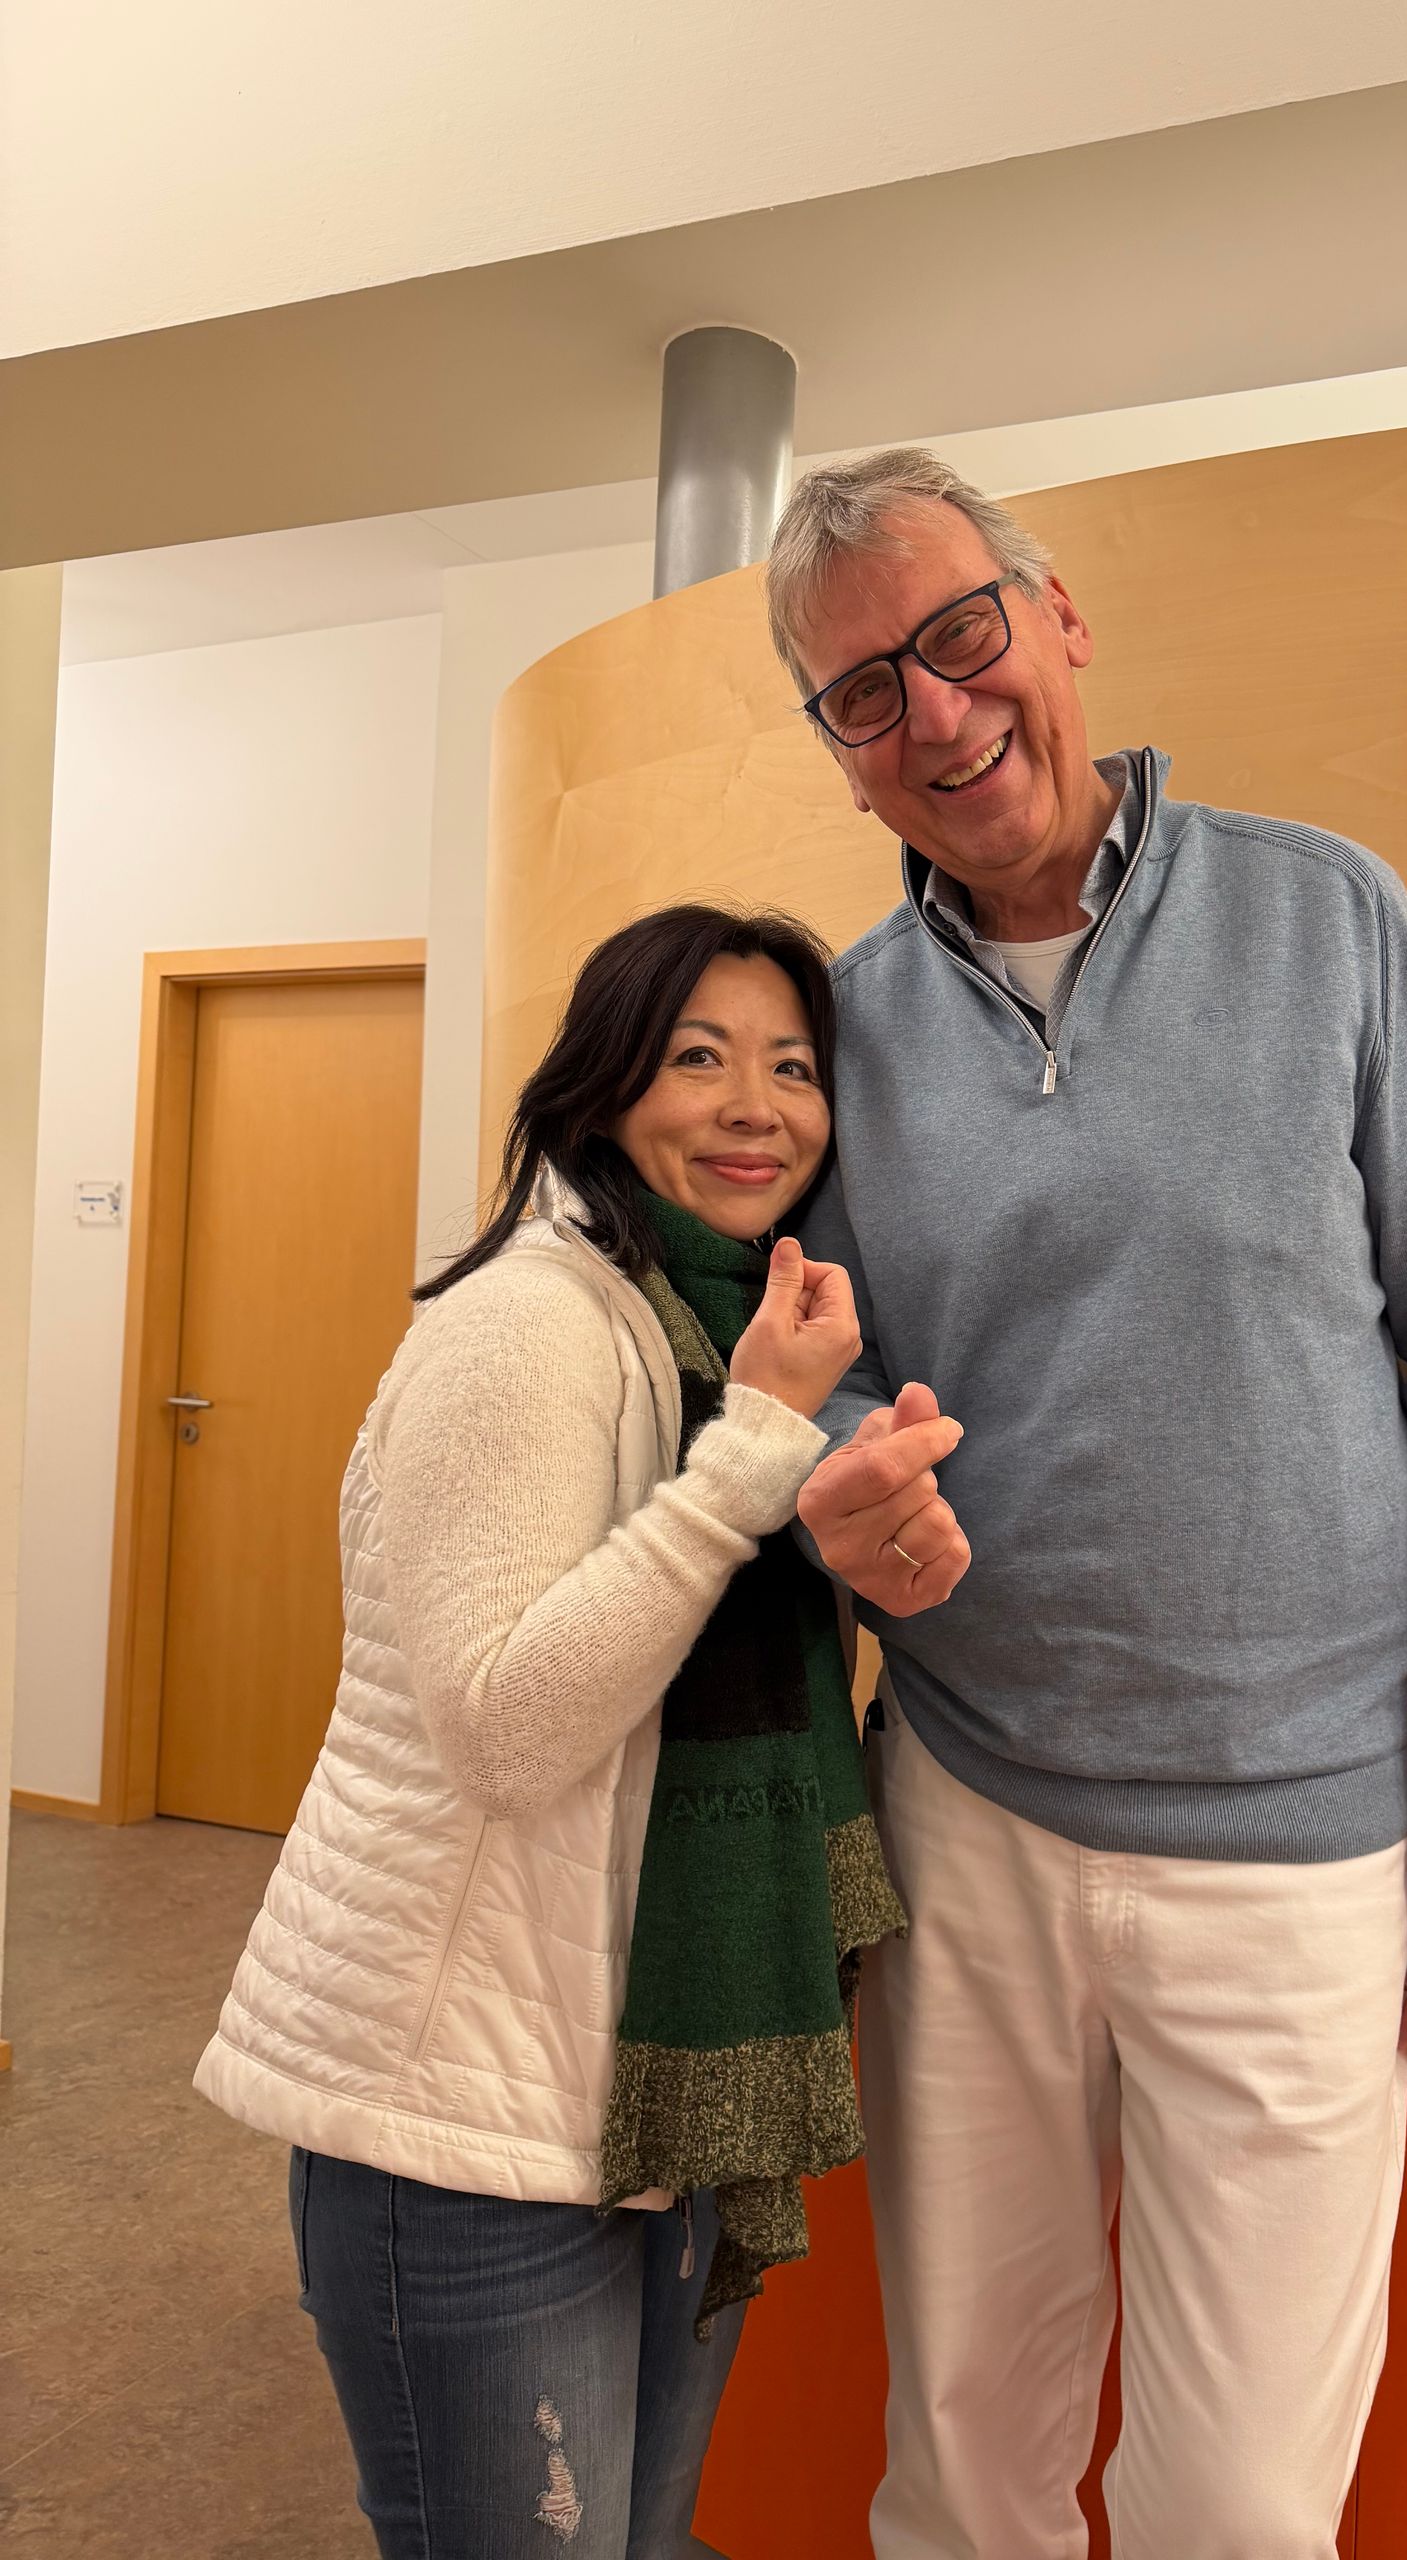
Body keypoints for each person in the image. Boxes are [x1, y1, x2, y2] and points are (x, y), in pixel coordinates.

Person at [762, 451, 1407, 2560]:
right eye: (865, 691)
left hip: (1295, 1850)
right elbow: (813, 1356)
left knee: (1239, 2503)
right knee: (960, 2464)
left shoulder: (1328, 918)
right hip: (965, 1819)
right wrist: (834, 1476)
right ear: (842, 757)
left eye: (959, 639)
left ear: (1060, 626)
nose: (935, 713)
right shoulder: (835, 1028)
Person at [194, 904, 929, 2560]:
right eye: (699, 1057)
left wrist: (860, 1521)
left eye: (794, 1067)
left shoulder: (705, 1329)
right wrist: (754, 1458)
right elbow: (508, 1734)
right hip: (461, 2125)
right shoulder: (532, 1328)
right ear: (603, 1088)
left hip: (643, 2098)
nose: (758, 1105)